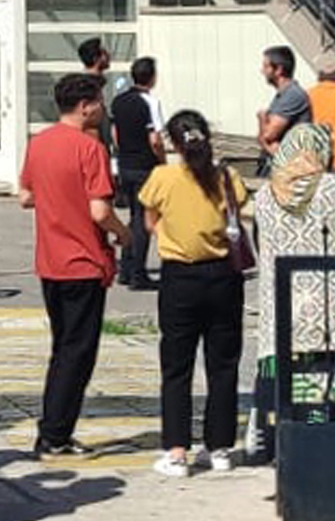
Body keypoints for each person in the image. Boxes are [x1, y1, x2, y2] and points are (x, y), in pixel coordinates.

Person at [14, 72, 128, 459]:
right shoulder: (90, 149)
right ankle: (55, 434)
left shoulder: (39, 143)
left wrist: (55, 198)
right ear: (84, 106)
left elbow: (25, 196)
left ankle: (52, 427)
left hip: (50, 261)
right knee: (78, 353)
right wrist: (124, 234)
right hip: (83, 261)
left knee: (62, 347)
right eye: (99, 101)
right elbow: (100, 212)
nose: (103, 108)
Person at [141, 110, 251, 477]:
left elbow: (150, 221)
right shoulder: (227, 177)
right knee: (223, 363)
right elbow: (239, 213)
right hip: (223, 275)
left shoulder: (163, 177)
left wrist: (172, 236)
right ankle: (219, 447)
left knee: (176, 365)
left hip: (180, 276)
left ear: (174, 144)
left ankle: (176, 451)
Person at [108, 57, 167, 290]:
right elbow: (155, 140)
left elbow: (115, 134)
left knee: (134, 216)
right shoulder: (150, 102)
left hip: (125, 164)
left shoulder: (119, 101)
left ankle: (125, 268)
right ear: (152, 78)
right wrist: (162, 162)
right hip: (144, 166)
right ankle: (138, 274)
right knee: (144, 219)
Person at [258, 44, 309, 154]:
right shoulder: (282, 95)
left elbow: (268, 135)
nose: (262, 71)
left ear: (279, 70)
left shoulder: (292, 95)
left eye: (266, 67)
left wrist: (261, 118)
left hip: (291, 161)